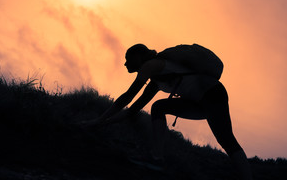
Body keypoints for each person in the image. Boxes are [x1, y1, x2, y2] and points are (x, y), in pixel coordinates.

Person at [84, 43, 253, 180]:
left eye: (128, 57)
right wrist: (102, 124)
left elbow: (128, 97)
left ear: (140, 56)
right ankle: (157, 158)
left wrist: (98, 121)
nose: (126, 63)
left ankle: (247, 177)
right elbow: (133, 109)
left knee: (226, 139)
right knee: (159, 107)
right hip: (201, 100)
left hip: (211, 93)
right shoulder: (155, 80)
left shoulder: (151, 65)